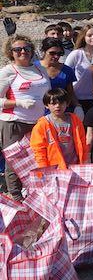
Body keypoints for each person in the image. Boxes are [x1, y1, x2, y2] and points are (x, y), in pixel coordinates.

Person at [0, 35, 51, 199]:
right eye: (18, 49)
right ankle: (16, 197)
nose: (23, 52)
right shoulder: (8, 71)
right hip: (14, 122)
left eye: (27, 49)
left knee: (37, 159)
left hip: (38, 123)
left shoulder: (40, 69)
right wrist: (18, 103)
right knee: (14, 162)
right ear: (11, 52)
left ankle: (34, 194)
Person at [30, 88, 88, 169]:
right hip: (54, 167)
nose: (57, 106)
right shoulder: (42, 125)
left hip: (75, 165)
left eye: (61, 103)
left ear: (67, 103)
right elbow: (38, 149)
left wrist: (84, 160)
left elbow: (82, 142)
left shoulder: (75, 120)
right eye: (53, 104)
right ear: (46, 105)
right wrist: (43, 168)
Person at [64, 24, 93, 112]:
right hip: (78, 98)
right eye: (89, 35)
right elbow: (65, 72)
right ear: (83, 37)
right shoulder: (76, 54)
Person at [37, 38, 79, 114]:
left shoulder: (67, 70)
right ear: (44, 51)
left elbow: (70, 93)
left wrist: (78, 106)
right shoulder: (34, 67)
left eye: (59, 54)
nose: (56, 56)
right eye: (52, 53)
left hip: (60, 113)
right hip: (37, 112)